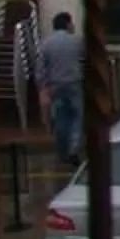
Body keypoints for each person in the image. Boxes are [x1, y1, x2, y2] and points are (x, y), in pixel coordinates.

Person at [36, 14, 86, 163]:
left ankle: (62, 150)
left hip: (55, 86)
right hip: (74, 84)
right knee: (77, 117)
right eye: (71, 23)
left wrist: (43, 86)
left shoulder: (46, 43)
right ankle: (73, 148)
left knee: (60, 118)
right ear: (67, 24)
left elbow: (40, 68)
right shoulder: (76, 41)